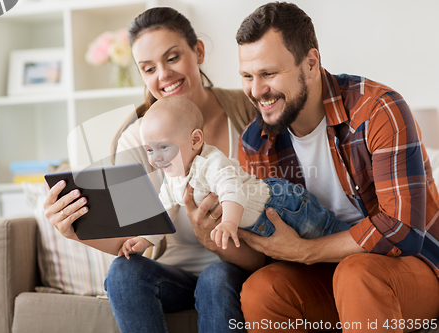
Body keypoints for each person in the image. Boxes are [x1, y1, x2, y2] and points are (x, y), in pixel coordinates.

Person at [43, 7, 263, 333]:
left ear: (198, 51)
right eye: (148, 68)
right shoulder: (136, 137)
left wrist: (215, 237)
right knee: (122, 272)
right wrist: (75, 231)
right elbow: (131, 238)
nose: (163, 75)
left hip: (233, 266)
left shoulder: (248, 111)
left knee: (216, 279)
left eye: (172, 57)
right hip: (171, 275)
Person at [234, 2, 439, 332]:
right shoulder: (256, 140)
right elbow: (267, 245)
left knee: (356, 273)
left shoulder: (378, 110)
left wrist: (306, 251)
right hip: (325, 274)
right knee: (262, 289)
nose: (257, 91)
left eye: (269, 74)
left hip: (409, 268)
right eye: (247, 76)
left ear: (311, 64)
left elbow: (403, 231)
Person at [119, 95, 350, 258]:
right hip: (261, 227)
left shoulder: (210, 162)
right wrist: (146, 239)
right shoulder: (173, 179)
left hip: (283, 205)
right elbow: (164, 211)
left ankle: (358, 239)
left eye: (163, 147)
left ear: (196, 140)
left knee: (326, 231)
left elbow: (231, 189)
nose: (155, 158)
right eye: (149, 150)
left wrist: (228, 222)